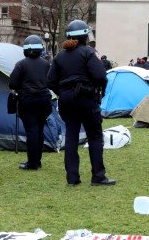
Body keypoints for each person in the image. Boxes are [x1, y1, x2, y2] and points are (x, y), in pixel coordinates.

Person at [48, 20, 116, 186]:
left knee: (71, 136)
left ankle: (72, 178)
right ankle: (98, 176)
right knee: (94, 136)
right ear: (85, 36)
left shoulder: (59, 56)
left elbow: (50, 81)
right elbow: (100, 76)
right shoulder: (88, 52)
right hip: (86, 99)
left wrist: (63, 93)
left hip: (66, 101)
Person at [9, 35, 52, 171]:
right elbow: (51, 81)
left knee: (32, 131)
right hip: (44, 100)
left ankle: (32, 163)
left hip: (28, 100)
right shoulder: (46, 64)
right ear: (40, 49)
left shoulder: (21, 64)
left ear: (25, 50)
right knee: (39, 130)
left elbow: (13, 83)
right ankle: (37, 161)